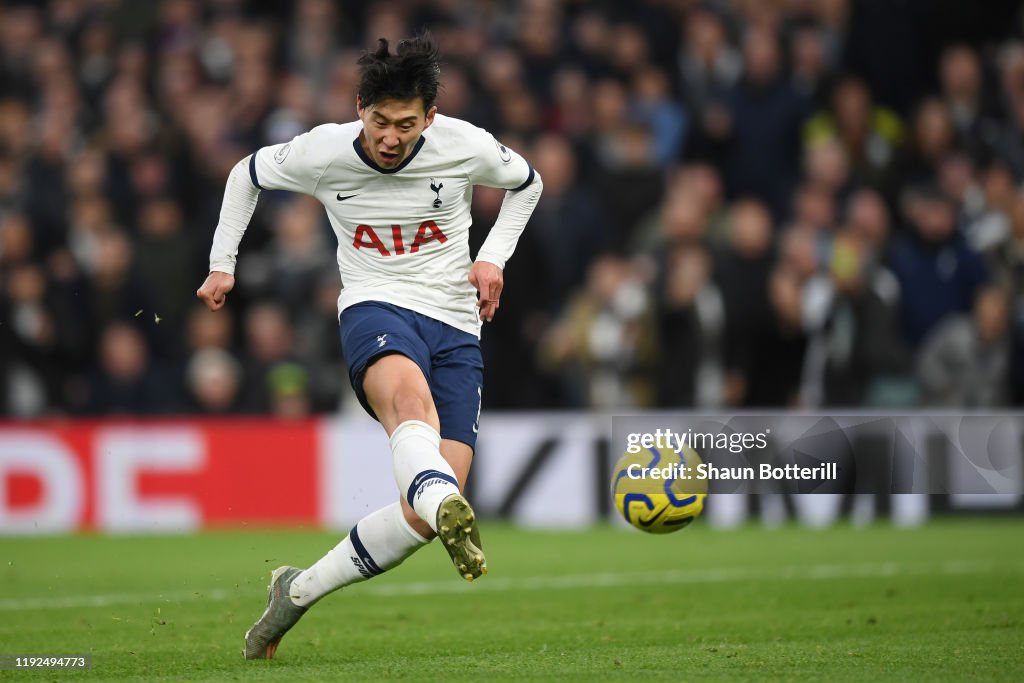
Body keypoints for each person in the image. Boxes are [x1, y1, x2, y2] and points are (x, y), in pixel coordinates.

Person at [195, 33, 542, 660]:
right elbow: (243, 176)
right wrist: (223, 264)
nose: (389, 136)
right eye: (379, 120)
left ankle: (297, 593)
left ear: (430, 118)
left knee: (422, 515)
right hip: (374, 305)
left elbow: (529, 182)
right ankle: (443, 502)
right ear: (359, 106)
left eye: (405, 124)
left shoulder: (462, 144)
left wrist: (492, 257)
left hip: (458, 325)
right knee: (413, 412)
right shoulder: (323, 151)